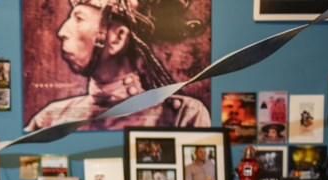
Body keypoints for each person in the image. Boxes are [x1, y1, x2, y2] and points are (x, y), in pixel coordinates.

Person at [25, 0, 210, 131]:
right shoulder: (49, 119)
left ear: (118, 38)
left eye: (79, 19)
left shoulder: (184, 115)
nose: (62, 31)